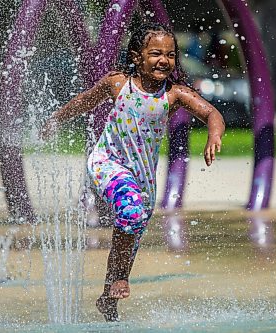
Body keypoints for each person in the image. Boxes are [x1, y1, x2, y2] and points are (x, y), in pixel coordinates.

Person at [42, 23, 225, 322]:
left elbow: (211, 113)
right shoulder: (118, 84)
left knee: (130, 233)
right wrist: (56, 119)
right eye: (155, 53)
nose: (163, 60)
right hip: (107, 163)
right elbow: (84, 101)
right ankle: (118, 281)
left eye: (170, 54)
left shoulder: (174, 94)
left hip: (143, 180)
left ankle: (107, 299)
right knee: (130, 213)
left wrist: (213, 134)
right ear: (136, 57)